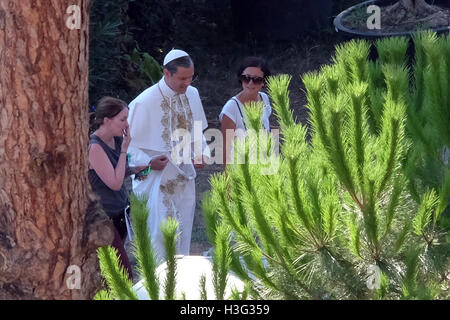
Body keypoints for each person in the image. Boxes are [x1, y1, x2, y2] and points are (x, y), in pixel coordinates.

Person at [127, 49, 210, 262]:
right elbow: (128, 150)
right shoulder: (143, 103)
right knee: (160, 235)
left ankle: (178, 283)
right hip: (156, 181)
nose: (187, 84)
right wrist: (149, 164)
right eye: (182, 79)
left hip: (183, 177)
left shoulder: (192, 94)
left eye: (191, 78)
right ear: (166, 73)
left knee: (183, 232)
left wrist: (201, 153)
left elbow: (197, 129)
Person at [88, 96, 150, 281]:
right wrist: (124, 149)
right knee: (123, 275)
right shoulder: (95, 147)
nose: (126, 125)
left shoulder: (114, 141)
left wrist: (133, 170)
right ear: (107, 120)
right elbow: (113, 183)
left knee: (110, 275)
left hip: (119, 214)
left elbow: (114, 172)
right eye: (122, 120)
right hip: (102, 218)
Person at [219, 56, 272, 167]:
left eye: (257, 80)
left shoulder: (264, 98)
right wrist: (227, 181)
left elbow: (264, 129)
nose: (250, 83)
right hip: (242, 169)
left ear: (264, 82)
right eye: (246, 78)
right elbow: (226, 149)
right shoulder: (231, 109)